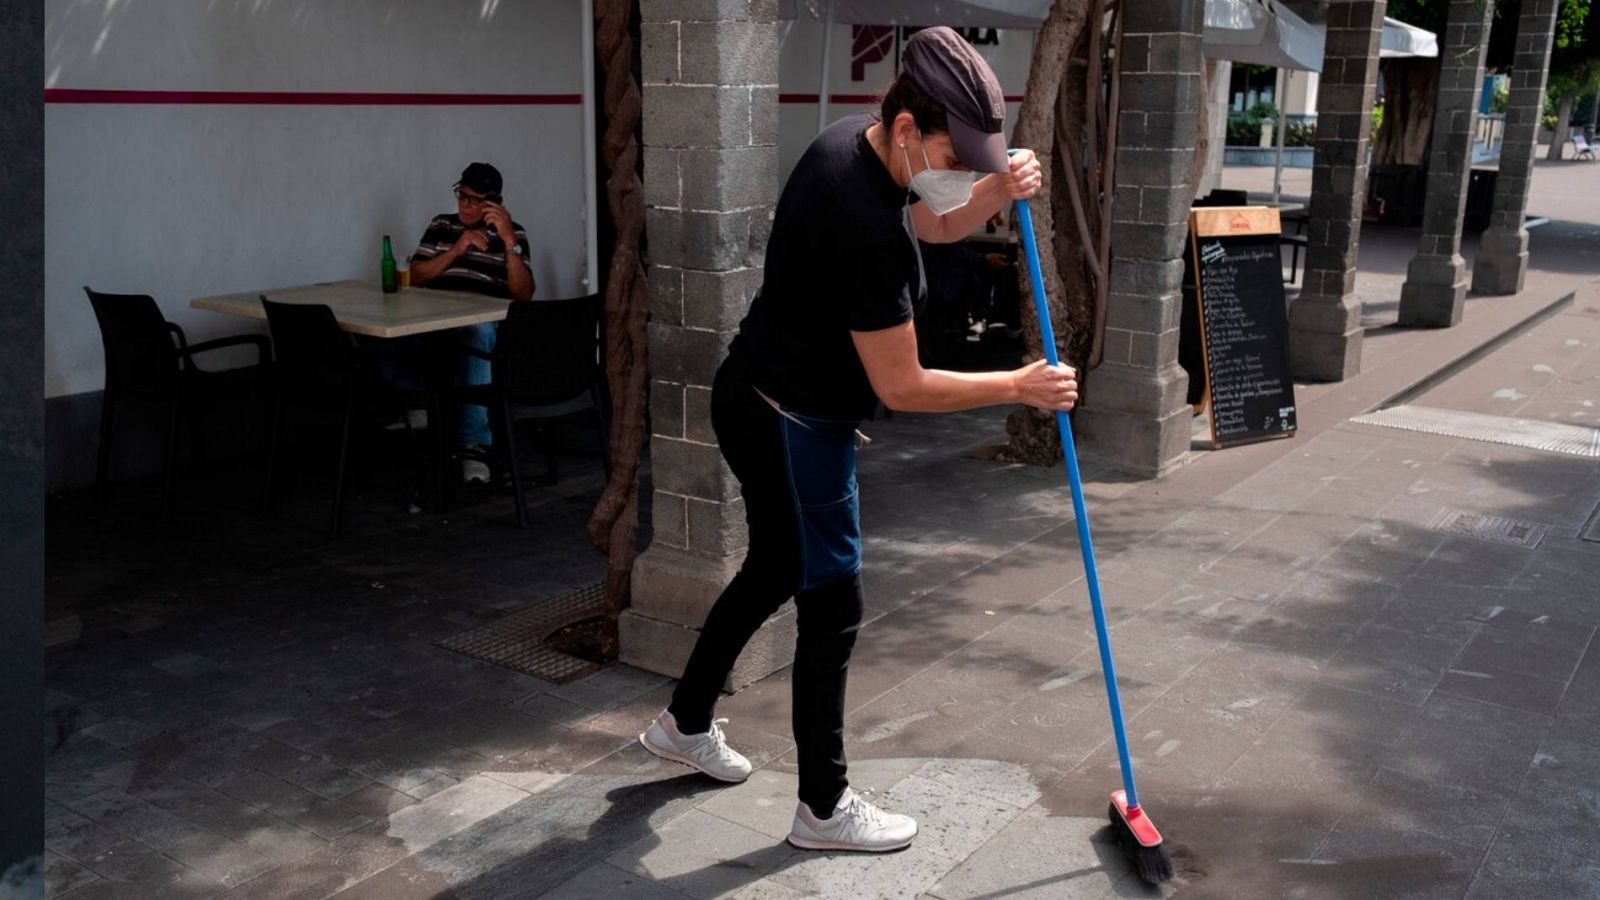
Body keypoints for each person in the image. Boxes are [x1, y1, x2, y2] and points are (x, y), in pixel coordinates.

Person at [637, 27, 1076, 853]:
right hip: (794, 420)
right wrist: (1019, 385)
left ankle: (683, 722)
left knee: (774, 564)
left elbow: (933, 226)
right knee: (832, 605)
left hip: (762, 395)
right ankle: (824, 808)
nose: (965, 170)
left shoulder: (852, 141)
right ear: (909, 128)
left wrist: (991, 194)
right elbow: (902, 386)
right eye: (958, 153)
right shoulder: (863, 225)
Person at [407, 162, 535, 482]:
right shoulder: (441, 225)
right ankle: (413, 406)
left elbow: (524, 293)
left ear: (495, 203)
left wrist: (509, 242)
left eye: (475, 200)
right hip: (433, 315)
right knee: (386, 325)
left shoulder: (513, 234)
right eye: (462, 196)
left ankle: (474, 444)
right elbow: (415, 277)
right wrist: (457, 249)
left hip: (483, 322)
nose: (465, 205)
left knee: (478, 333)